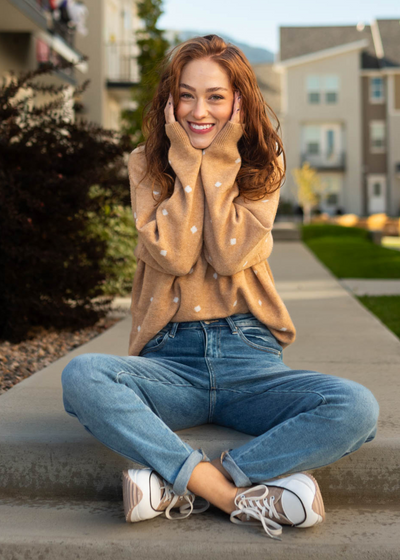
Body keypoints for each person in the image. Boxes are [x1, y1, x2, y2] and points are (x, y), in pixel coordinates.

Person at [61, 35, 379, 540]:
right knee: (83, 376)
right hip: (170, 361)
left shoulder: (262, 166)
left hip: (249, 358)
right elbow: (175, 255)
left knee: (357, 407)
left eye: (215, 96)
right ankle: (232, 495)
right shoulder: (146, 164)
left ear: (238, 102)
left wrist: (218, 159)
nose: (199, 110)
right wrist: (187, 162)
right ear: (170, 101)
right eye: (186, 95)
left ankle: (180, 484)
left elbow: (230, 254)